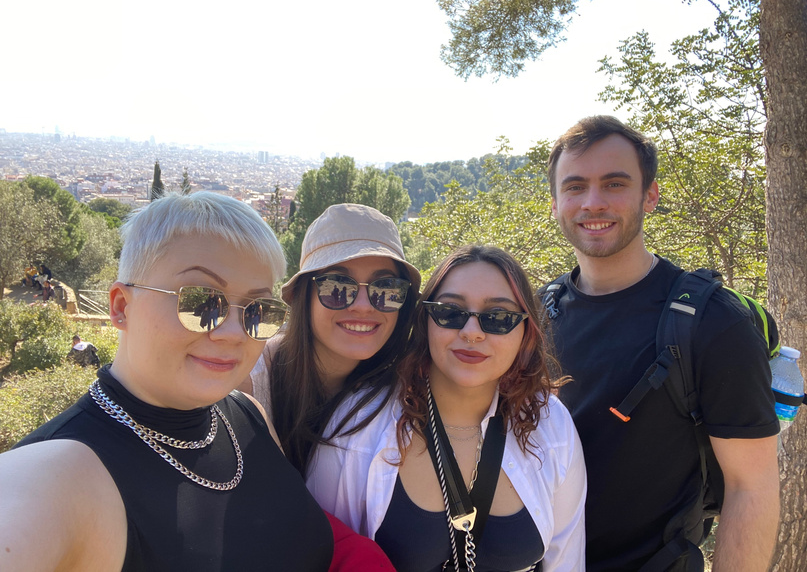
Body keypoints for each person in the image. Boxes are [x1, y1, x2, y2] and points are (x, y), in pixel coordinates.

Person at [0, 191, 334, 571]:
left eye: (256, 310)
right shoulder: (63, 473)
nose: (234, 333)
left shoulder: (248, 413)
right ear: (122, 307)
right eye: (200, 302)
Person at [542, 115, 780, 571]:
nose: (593, 203)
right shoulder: (537, 312)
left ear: (649, 195)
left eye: (614, 184)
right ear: (555, 202)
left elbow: (752, 485)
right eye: (574, 187)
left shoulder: (712, 322)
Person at [307, 245, 587, 572]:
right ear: (425, 321)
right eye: (450, 312)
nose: (471, 333)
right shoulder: (357, 425)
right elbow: (322, 555)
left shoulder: (549, 425)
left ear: (526, 332)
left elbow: (566, 560)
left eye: (498, 318)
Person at [240, 203, 421, 477]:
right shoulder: (248, 384)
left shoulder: (406, 395)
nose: (363, 306)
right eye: (337, 286)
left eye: (385, 289)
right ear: (305, 296)